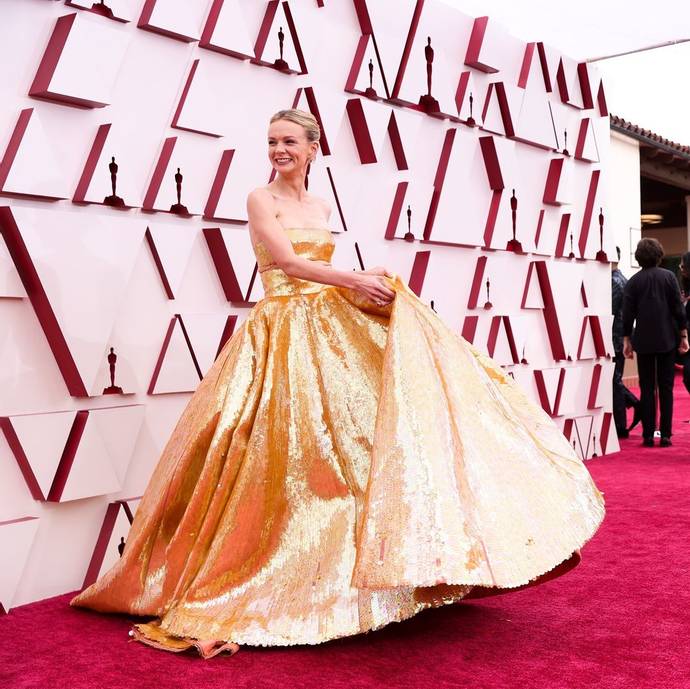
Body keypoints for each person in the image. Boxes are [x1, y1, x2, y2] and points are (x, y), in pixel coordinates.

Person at [71, 109, 605, 658]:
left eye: (289, 141)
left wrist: (365, 280)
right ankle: (269, 573)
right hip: (279, 332)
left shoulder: (320, 206)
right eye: (272, 140)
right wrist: (353, 277)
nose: (278, 149)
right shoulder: (260, 199)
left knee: (357, 449)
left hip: (326, 328)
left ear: (312, 148)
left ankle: (365, 578)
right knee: (282, 454)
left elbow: (320, 269)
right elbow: (287, 263)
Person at [622, 238, 689, 447]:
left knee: (647, 387)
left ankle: (648, 434)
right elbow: (678, 309)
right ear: (659, 255)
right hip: (667, 338)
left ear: (638, 257)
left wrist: (626, 339)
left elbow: (627, 314)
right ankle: (666, 434)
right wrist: (684, 335)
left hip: (643, 340)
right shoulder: (669, 277)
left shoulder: (633, 281)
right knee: (666, 387)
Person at [611, 247, 640, 438]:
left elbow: (611, 310)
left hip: (614, 336)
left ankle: (621, 425)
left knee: (614, 380)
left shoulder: (614, 282)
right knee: (615, 379)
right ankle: (634, 406)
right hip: (619, 335)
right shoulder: (623, 280)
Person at [677, 251, 690, 398]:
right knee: (687, 376)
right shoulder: (684, 287)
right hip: (687, 337)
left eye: (683, 264)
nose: (681, 267)